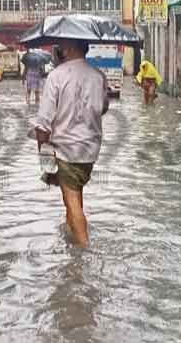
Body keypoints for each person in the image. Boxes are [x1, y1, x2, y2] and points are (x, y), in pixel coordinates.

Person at [32, 39, 109, 247]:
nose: (60, 49)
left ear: (70, 48)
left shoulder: (56, 76)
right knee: (75, 193)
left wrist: (44, 154)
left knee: (71, 200)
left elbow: (43, 124)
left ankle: (84, 252)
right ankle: (72, 239)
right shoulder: (98, 76)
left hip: (66, 149)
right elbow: (103, 107)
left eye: (63, 45)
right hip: (90, 149)